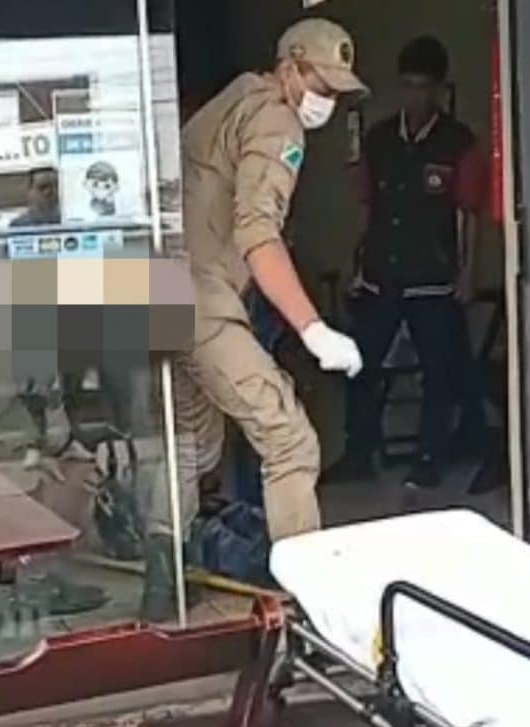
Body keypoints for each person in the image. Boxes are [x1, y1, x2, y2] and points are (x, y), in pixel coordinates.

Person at [140, 18, 368, 621]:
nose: (326, 100)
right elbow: (257, 232)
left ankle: (161, 587)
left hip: (159, 292)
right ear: (290, 66)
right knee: (290, 440)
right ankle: (307, 610)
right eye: (321, 84)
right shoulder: (276, 119)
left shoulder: (235, 96)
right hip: (201, 300)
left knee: (190, 445)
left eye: (337, 90)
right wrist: (313, 329)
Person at [322, 36, 488, 489]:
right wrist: (354, 260)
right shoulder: (379, 140)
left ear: (438, 89)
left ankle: (429, 458)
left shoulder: (458, 144)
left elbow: (468, 213)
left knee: (439, 371)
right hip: (381, 272)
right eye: (407, 86)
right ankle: (358, 453)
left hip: (433, 277)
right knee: (360, 364)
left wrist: (468, 272)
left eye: (422, 87)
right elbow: (365, 207)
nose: (414, 96)